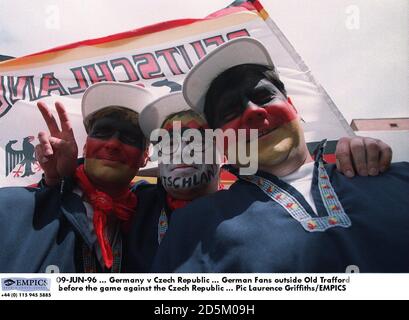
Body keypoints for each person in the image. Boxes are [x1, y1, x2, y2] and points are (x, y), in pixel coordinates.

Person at [152, 37, 409, 272]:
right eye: (229, 112)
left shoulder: (397, 177)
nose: (253, 111)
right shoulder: (191, 227)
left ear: (292, 106)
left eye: (264, 97)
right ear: (220, 140)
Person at [0, 82, 153, 272]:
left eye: (130, 137)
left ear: (145, 156)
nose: (113, 144)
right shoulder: (9, 207)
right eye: (102, 132)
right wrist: (56, 185)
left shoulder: (154, 212)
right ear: (85, 147)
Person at [126, 91, 222, 271]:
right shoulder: (132, 206)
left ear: (222, 152)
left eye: (196, 141)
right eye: (169, 144)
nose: (182, 151)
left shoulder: (249, 211)